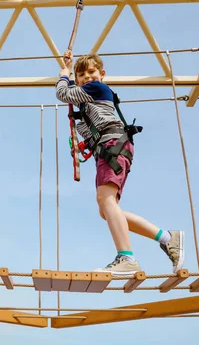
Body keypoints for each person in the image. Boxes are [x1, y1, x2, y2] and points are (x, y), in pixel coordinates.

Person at [56, 50, 184, 275]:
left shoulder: (95, 89)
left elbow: (62, 94)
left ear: (102, 74)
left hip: (112, 146)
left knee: (105, 200)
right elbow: (96, 127)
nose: (87, 77)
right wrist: (83, 146)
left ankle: (126, 257)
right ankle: (167, 238)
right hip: (109, 147)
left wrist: (64, 74)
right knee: (107, 210)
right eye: (82, 74)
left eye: (91, 72)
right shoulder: (88, 101)